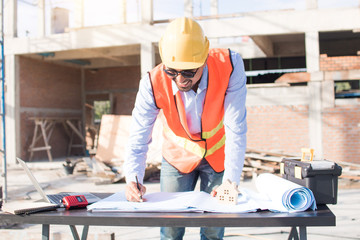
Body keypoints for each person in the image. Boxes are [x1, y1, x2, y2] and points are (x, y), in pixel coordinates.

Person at [123, 17, 247, 240]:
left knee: (213, 228)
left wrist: (231, 180)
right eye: (172, 72)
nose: (180, 79)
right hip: (177, 158)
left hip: (218, 157)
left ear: (205, 58)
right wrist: (133, 177)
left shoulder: (230, 65)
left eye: (188, 72)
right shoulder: (152, 82)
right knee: (171, 229)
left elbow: (236, 126)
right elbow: (139, 134)